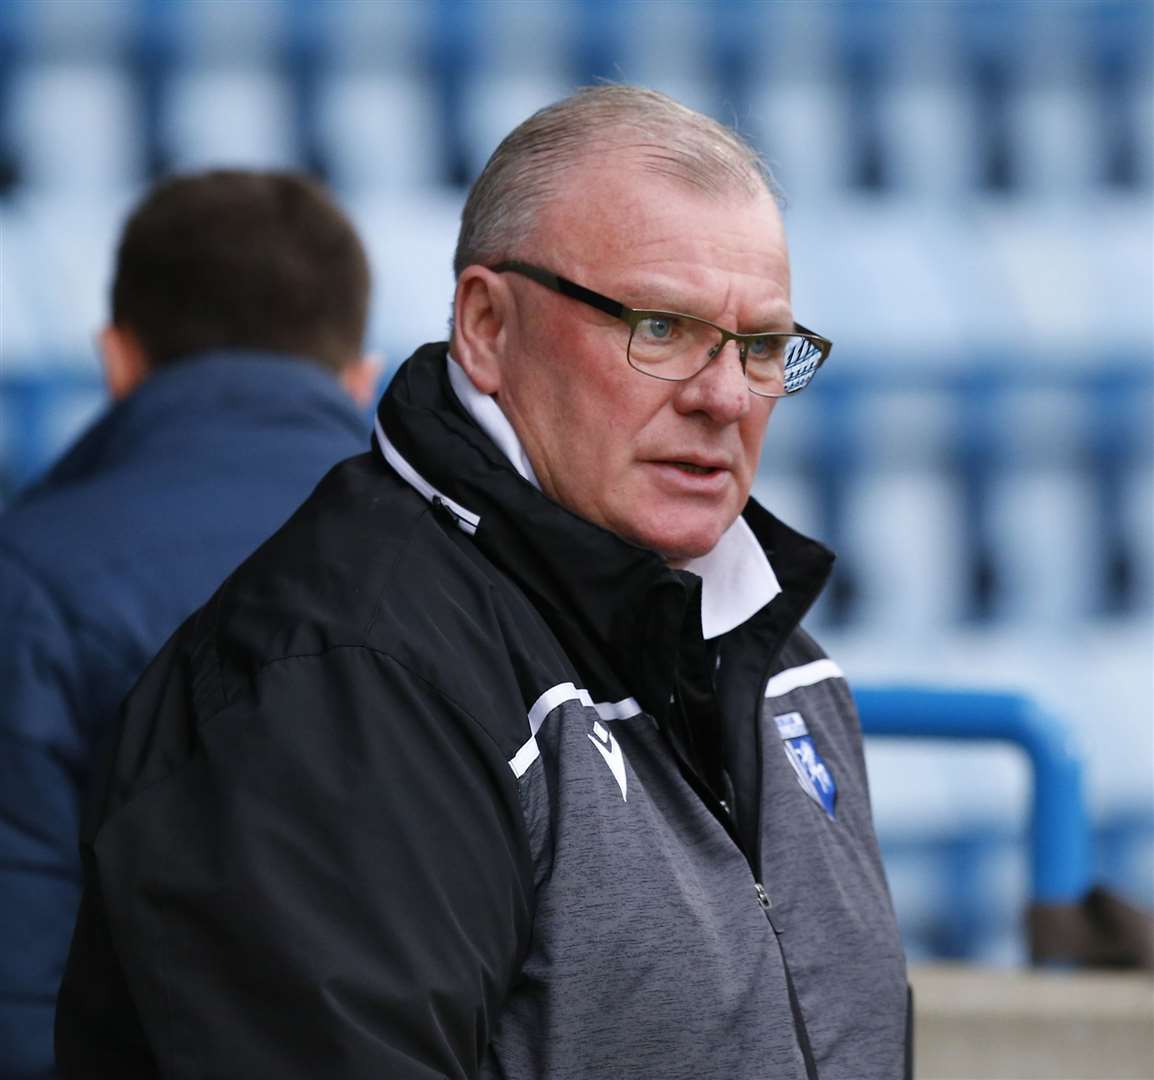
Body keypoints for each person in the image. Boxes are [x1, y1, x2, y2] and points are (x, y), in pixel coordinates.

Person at [56, 88, 910, 1079]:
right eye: (661, 327)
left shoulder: (784, 669)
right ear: (485, 326)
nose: (724, 397)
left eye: (760, 346)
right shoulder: (343, 680)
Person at [0, 169, 376, 1078]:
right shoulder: (484, 565)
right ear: (361, 378)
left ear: (117, 358)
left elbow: (20, 994)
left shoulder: (27, 579)